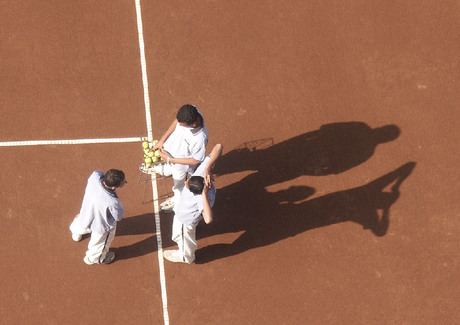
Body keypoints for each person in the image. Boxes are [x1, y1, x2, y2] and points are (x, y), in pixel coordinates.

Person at [163, 143, 223, 264]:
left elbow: (208, 219)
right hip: (196, 212)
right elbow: (218, 146)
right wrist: (207, 168)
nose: (186, 182)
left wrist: (203, 195)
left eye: (188, 184)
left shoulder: (200, 198)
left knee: (179, 236)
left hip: (185, 220)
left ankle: (186, 257)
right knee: (187, 230)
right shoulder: (201, 175)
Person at [151, 104, 208, 212]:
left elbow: (196, 160)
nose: (179, 125)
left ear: (194, 124)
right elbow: (177, 122)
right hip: (169, 155)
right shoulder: (191, 111)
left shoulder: (200, 140)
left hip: (181, 167)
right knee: (169, 167)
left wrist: (170, 159)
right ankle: (167, 169)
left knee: (179, 186)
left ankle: (177, 200)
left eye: (182, 125)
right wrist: (162, 140)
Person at [69, 169, 127, 265]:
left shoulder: (94, 177)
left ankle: (76, 234)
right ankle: (94, 258)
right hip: (101, 225)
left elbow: (99, 173)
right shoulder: (113, 202)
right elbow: (118, 217)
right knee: (100, 243)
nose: (125, 182)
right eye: (123, 182)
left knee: (81, 223)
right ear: (113, 187)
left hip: (86, 214)